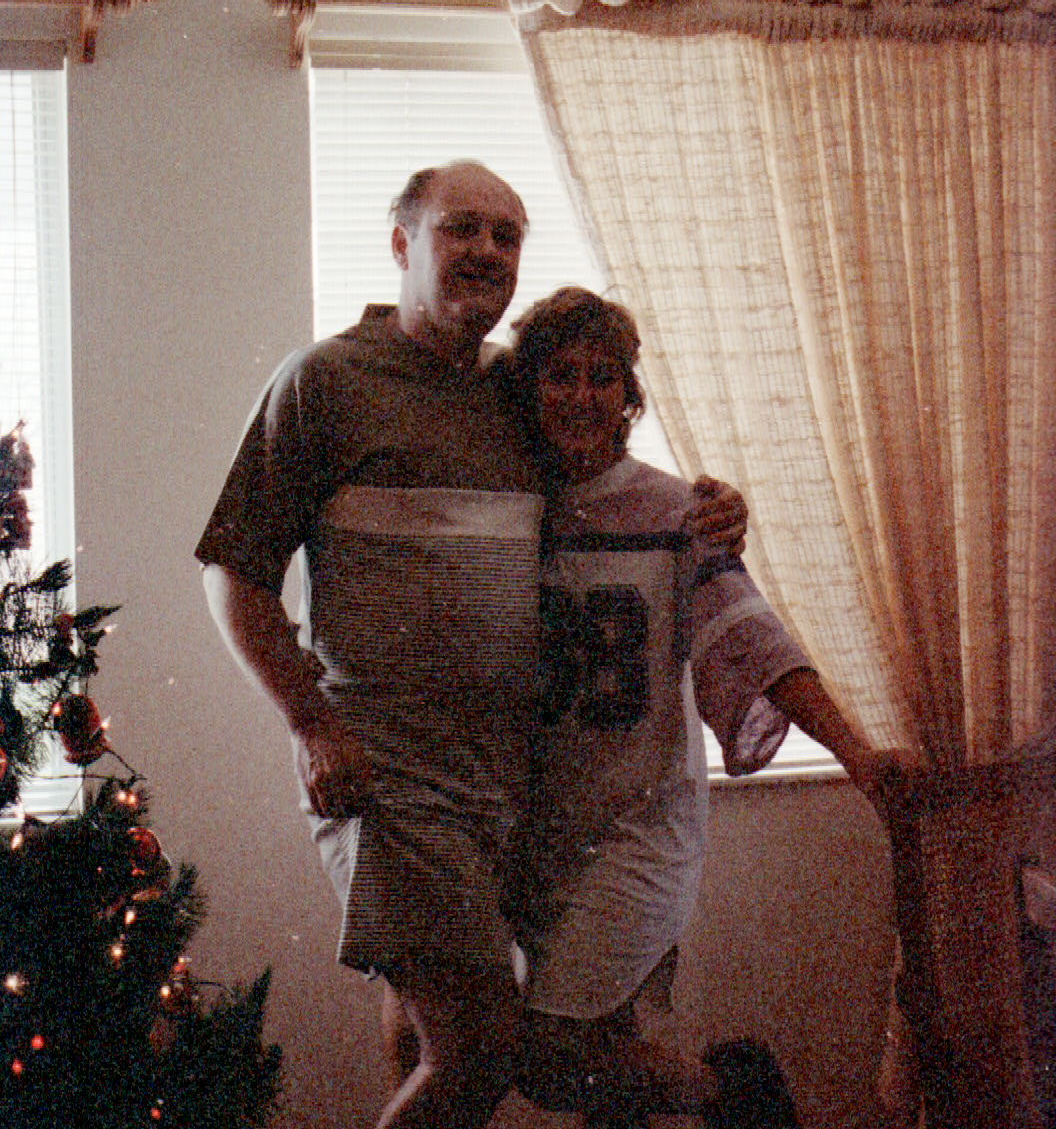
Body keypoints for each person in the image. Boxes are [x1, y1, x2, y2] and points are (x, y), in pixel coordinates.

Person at [195, 163, 748, 1129]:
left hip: (512, 785)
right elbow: (233, 574)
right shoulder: (324, 382)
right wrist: (311, 724)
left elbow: (603, 473)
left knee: (432, 1037)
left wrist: (715, 506)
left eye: (507, 234)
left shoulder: (513, 393)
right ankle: (736, 1093)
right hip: (387, 774)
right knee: (482, 1045)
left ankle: (728, 1089)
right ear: (402, 243)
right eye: (462, 228)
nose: (487, 250)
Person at [494, 287, 897, 1129]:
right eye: (560, 375)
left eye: (603, 377)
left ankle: (736, 1095)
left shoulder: (676, 514)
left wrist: (856, 755)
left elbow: (752, 642)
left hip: (641, 827)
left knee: (550, 1050)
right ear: (528, 389)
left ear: (630, 396)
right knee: (606, 1048)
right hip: (538, 830)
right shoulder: (508, 509)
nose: (581, 395)